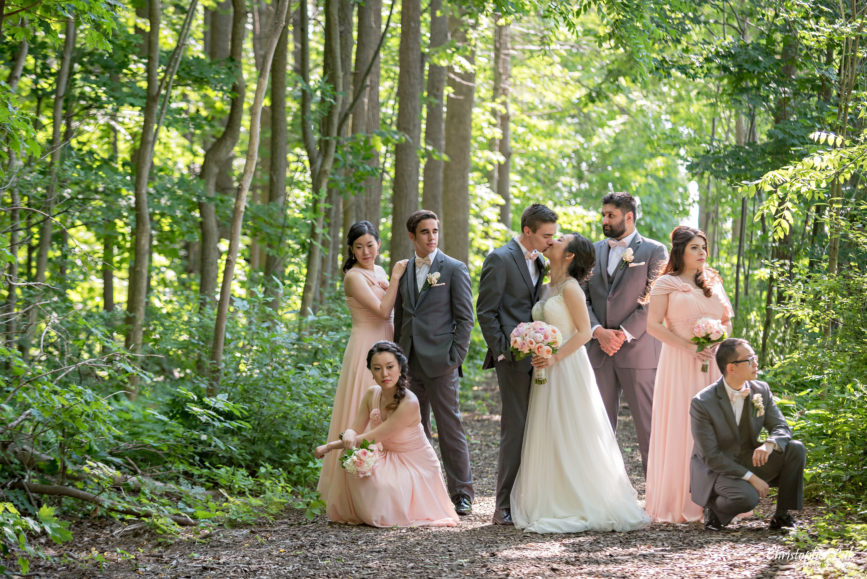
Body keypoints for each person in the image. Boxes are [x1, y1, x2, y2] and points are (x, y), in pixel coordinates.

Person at [511, 234, 650, 533]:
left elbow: (585, 333)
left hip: (567, 366)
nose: (553, 239)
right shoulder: (546, 286)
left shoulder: (572, 288)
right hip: (545, 366)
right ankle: (551, 495)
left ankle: (581, 498)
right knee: (548, 429)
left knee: (571, 427)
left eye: (560, 239)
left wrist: (554, 357)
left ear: (570, 255)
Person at [315, 341, 459, 527]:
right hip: (387, 455)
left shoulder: (409, 402)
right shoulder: (371, 394)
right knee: (351, 458)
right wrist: (349, 433)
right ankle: (356, 512)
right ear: (371, 372)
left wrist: (329, 447)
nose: (384, 374)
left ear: (400, 367)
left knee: (380, 485)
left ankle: (381, 511)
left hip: (414, 463)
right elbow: (355, 428)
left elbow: (370, 438)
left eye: (390, 367)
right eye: (377, 368)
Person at [644, 226, 733, 522]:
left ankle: (717, 499)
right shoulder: (665, 283)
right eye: (695, 247)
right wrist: (689, 347)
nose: (702, 253)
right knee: (682, 425)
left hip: (712, 363)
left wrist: (715, 340)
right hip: (679, 362)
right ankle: (679, 499)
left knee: (715, 426)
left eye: (704, 247)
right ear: (680, 250)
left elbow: (726, 321)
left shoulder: (713, 281)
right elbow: (653, 326)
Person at [477, 204, 558, 526]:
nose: (551, 241)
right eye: (546, 235)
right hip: (512, 359)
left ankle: (532, 498)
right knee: (516, 429)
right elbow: (486, 311)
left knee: (538, 428)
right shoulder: (500, 258)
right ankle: (503, 504)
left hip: (542, 358)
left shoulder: (540, 260)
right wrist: (502, 352)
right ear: (528, 231)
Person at [316, 221, 407, 505]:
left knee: (390, 413)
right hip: (366, 346)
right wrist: (395, 278)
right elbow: (382, 311)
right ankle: (354, 486)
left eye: (370, 245)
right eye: (359, 247)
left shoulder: (378, 271)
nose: (365, 251)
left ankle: (387, 484)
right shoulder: (354, 277)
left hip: (388, 345)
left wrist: (388, 281)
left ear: (379, 244)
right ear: (352, 250)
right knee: (366, 411)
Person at [393, 210, 475, 516]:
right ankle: (426, 488)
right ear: (412, 236)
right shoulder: (403, 270)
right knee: (416, 427)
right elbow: (401, 317)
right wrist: (397, 357)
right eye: (425, 232)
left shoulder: (453, 269)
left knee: (450, 426)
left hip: (442, 362)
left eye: (435, 231)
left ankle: (462, 492)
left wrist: (455, 357)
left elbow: (466, 319)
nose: (431, 237)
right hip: (409, 361)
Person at [584, 192, 667, 472]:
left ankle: (656, 492)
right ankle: (599, 491)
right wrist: (597, 331)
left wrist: (621, 333)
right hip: (599, 349)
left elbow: (654, 298)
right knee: (597, 424)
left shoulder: (655, 251)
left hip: (639, 349)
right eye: (603, 214)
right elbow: (581, 296)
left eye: (611, 215)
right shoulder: (591, 251)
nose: (605, 220)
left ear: (629, 217)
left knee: (648, 426)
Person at [690, 338, 806, 531]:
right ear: (731, 368)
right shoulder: (702, 402)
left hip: (749, 457)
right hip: (717, 469)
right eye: (749, 359)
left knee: (795, 449)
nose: (756, 363)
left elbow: (782, 428)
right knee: (747, 498)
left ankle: (782, 516)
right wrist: (751, 478)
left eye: (755, 357)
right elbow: (710, 455)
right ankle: (714, 510)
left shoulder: (761, 390)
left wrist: (769, 444)